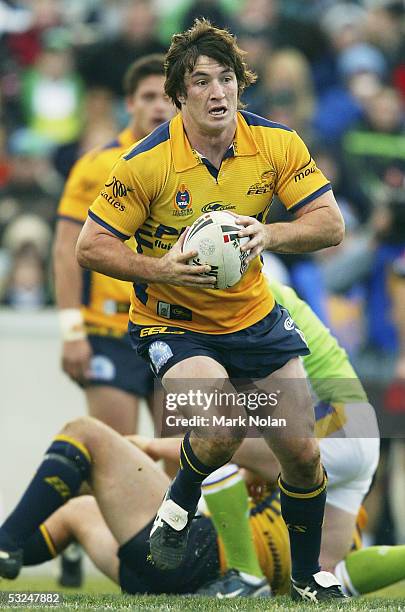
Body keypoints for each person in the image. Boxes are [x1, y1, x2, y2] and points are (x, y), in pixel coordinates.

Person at [76, 19, 345, 601]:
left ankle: (306, 579)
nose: (217, 92)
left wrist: (269, 235)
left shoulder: (276, 143)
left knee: (302, 453)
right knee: (219, 426)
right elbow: (90, 245)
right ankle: (178, 507)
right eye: (202, 82)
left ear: (240, 86)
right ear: (180, 95)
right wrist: (160, 269)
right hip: (173, 322)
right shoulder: (146, 162)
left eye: (227, 79)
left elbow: (330, 224)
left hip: (253, 317)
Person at [0, 416, 400, 599]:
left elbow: (221, 447)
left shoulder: (298, 473)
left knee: (83, 433)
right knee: (78, 512)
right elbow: (362, 571)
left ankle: (7, 539)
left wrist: (152, 446)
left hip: (202, 556)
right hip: (160, 577)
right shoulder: (335, 552)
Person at [53, 54, 175, 587]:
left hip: (173, 328)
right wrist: (70, 330)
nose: (157, 105)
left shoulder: (193, 162)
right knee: (115, 449)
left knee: (179, 450)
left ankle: (169, 558)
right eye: (146, 96)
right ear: (129, 104)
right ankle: (78, 532)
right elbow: (64, 249)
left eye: (165, 96)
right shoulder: (97, 164)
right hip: (107, 330)